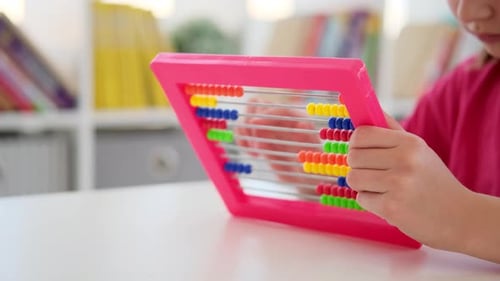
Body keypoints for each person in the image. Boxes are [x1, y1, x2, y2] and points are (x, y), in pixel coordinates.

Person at [237, 0, 500, 263]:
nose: (467, 12)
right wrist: (324, 177)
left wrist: (458, 217)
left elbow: (440, 211)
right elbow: (400, 194)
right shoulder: (461, 90)